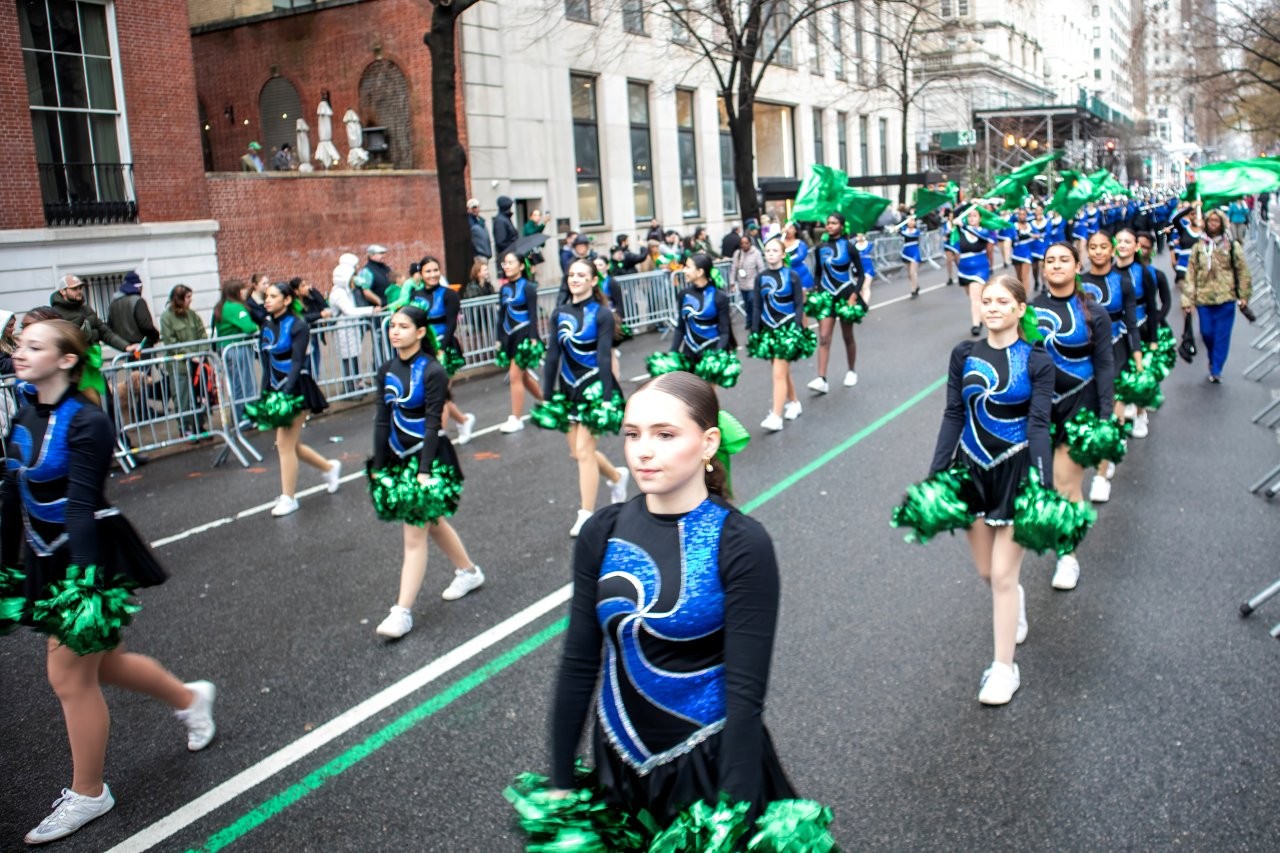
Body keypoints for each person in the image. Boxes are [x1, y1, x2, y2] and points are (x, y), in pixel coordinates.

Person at [548, 371, 802, 829]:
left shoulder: (742, 543)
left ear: (707, 443)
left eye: (665, 435)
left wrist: (734, 811)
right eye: (632, 434)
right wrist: (561, 780)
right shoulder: (601, 532)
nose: (643, 450)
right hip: (618, 769)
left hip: (709, 771)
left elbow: (746, 694)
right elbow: (580, 662)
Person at [1, 320, 215, 845]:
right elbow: (10, 491)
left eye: (34, 347)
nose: (19, 354)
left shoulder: (89, 420)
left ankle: (90, 792)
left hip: (89, 558)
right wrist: (6, 564)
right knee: (108, 664)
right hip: (45, 556)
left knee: (70, 676)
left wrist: (84, 586)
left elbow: (79, 502)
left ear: (67, 360)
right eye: (18, 346)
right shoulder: (24, 411)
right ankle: (190, 698)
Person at [928, 275, 1054, 705]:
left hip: (1016, 471)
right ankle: (1013, 600)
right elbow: (952, 414)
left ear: (1020, 309)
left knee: (1002, 573)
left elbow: (1039, 425)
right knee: (988, 573)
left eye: (1003, 300)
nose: (993, 306)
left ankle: (1005, 668)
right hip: (972, 470)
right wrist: (937, 473)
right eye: (987, 300)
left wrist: (1044, 483)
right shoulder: (964, 354)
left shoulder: (1036, 359)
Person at [369, 306, 484, 639]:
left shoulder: (432, 370)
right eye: (392, 326)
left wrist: (423, 471)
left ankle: (401, 612)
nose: (395, 332)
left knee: (414, 533)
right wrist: (379, 465)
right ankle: (468, 571)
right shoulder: (387, 370)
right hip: (398, 458)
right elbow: (381, 420)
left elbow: (434, 421)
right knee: (432, 523)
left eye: (403, 326)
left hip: (427, 458)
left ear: (420, 332)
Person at [1031, 243, 1115, 591]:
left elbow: (1105, 364)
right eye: (1050, 260)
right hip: (1037, 411)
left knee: (1066, 485)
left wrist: (1106, 414)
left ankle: (1068, 557)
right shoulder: (1028, 311)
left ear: (1076, 266)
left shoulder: (1095, 312)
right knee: (1041, 484)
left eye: (1064, 259)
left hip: (1079, 408)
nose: (1056, 265)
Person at [539, 257, 629, 536]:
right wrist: (546, 394)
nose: (575, 279)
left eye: (581, 275)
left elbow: (603, 355)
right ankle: (616, 476)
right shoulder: (560, 313)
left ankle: (586, 514)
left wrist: (605, 395)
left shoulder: (601, 313)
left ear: (593, 281)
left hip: (594, 387)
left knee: (584, 451)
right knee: (577, 452)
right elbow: (553, 354)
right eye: (571, 274)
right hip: (568, 389)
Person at [249, 279, 341, 517]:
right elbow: (267, 365)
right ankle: (329, 468)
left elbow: (299, 361)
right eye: (266, 296)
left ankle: (289, 498)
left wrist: (286, 395)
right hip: (276, 389)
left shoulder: (298, 325)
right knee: (290, 444)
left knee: (284, 444)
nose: (267, 300)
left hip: (296, 389)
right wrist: (264, 396)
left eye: (273, 296)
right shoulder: (267, 325)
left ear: (287, 300)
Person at [1079, 230, 1139, 503]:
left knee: (1110, 407)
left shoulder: (1122, 280)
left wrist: (1137, 356)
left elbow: (1131, 320)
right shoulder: (1078, 283)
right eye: (1093, 247)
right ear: (1087, 251)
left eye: (1104, 246)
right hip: (1085, 352)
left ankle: (1101, 476)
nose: (1099, 252)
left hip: (1116, 347)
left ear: (1112, 250)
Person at [398, 256, 476, 444]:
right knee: (432, 395)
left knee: (438, 396)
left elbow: (451, 324)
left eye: (435, 270)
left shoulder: (449, 295)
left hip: (445, 350)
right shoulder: (415, 295)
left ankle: (436, 440)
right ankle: (464, 421)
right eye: (428, 271)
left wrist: (441, 349)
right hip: (424, 350)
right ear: (421, 274)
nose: (432, 274)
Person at [1185, 207, 1251, 384]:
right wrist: (1187, 299)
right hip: (1203, 298)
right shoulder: (1199, 246)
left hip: (1226, 298)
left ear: (1222, 224)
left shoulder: (1231, 246)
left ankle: (1216, 368)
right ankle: (1213, 356)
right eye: (1210, 221)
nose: (1213, 224)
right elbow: (1191, 273)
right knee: (1206, 332)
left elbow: (1242, 270)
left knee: (1222, 335)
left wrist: (1243, 295)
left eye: (1216, 221)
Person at [752, 238, 812, 432]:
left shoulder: (792, 275)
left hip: (787, 330)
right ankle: (794, 402)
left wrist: (796, 327)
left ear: (783, 254)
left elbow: (798, 304)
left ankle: (776, 416)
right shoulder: (760, 278)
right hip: (768, 331)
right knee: (781, 371)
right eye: (767, 250)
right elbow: (756, 306)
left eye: (775, 250)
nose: (770, 253)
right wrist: (755, 330)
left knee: (778, 373)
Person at [809, 212, 865, 393]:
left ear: (841, 226)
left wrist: (854, 296)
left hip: (845, 295)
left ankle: (851, 371)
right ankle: (821, 378)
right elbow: (817, 273)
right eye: (828, 223)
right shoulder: (820, 248)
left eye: (834, 223)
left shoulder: (849, 247)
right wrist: (816, 290)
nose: (830, 226)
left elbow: (861, 274)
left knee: (847, 336)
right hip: (826, 296)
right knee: (824, 337)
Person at [658, 254, 733, 382]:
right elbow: (680, 327)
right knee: (691, 397)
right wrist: (673, 353)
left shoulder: (719, 297)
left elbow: (725, 331)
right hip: (689, 351)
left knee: (706, 397)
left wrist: (716, 355)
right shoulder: (684, 295)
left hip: (711, 351)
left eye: (687, 267)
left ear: (700, 272)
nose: (684, 270)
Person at [495, 251, 545, 434]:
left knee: (515, 377)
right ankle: (545, 401)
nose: (506, 266)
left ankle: (516, 419)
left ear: (521, 266)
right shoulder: (503, 289)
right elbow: (501, 315)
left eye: (510, 262)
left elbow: (533, 314)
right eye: (504, 263)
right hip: (509, 337)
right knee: (523, 376)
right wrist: (499, 338)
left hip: (524, 336)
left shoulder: (528, 287)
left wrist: (533, 338)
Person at [159, 284, 210, 435]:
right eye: (188, 297)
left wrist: (201, 353)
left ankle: (199, 425)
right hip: (180, 366)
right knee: (183, 397)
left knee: (199, 395)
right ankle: (185, 427)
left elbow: (202, 334)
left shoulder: (192, 315)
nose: (190, 300)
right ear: (179, 299)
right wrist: (189, 354)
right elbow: (170, 342)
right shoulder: (166, 318)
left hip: (198, 364)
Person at [211, 278, 259, 425]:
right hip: (238, 348)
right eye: (243, 289)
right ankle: (245, 417)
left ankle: (240, 416)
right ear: (237, 292)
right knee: (245, 383)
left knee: (236, 384)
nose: (245, 292)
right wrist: (256, 327)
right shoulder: (236, 308)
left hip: (226, 349)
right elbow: (249, 327)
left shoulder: (220, 307)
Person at [947, 207, 999, 336]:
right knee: (972, 296)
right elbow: (956, 214)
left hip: (980, 268)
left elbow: (979, 234)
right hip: (964, 269)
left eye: (975, 216)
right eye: (969, 216)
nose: (972, 218)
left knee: (975, 297)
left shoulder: (984, 231)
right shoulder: (962, 231)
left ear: (980, 218)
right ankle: (980, 316)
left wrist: (963, 224)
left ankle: (976, 324)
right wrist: (967, 205)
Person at [327, 261, 376, 394]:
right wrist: (371, 310)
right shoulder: (339, 293)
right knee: (348, 359)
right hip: (344, 330)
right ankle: (349, 388)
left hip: (350, 329)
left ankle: (356, 385)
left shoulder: (346, 291)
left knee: (353, 357)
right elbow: (350, 310)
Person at [107, 271, 160, 350]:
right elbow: (146, 326)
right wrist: (155, 336)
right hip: (141, 347)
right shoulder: (138, 301)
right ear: (138, 287)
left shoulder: (113, 304)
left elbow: (110, 329)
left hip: (124, 348)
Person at [729, 234, 764, 330]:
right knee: (747, 305)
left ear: (750, 243)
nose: (744, 245)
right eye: (742, 243)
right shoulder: (738, 253)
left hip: (753, 284)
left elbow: (761, 268)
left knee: (752, 302)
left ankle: (755, 323)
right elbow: (734, 269)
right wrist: (732, 283)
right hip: (742, 284)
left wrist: (762, 282)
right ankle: (749, 321)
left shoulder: (756, 253)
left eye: (746, 243)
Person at [781, 221, 815, 292]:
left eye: (790, 228)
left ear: (795, 230)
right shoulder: (780, 242)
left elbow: (800, 257)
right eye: (786, 227)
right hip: (784, 274)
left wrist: (785, 260)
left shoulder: (800, 244)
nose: (787, 230)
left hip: (800, 274)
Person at [896, 214, 922, 298]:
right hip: (906, 252)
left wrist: (899, 231)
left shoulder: (916, 231)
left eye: (913, 220)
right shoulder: (904, 229)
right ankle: (916, 285)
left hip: (914, 251)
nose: (911, 222)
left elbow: (909, 236)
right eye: (910, 221)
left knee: (912, 272)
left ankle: (913, 290)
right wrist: (896, 228)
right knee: (909, 274)